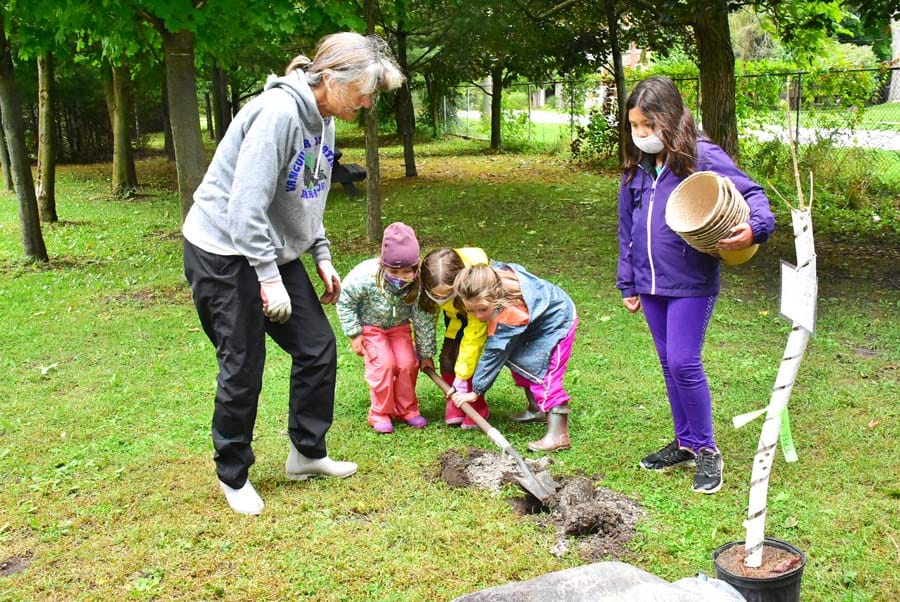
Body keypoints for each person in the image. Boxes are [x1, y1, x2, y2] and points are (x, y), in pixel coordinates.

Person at [182, 33, 405, 516]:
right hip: (222, 251)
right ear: (331, 79)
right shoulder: (278, 114)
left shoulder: (324, 119)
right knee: (243, 362)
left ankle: (306, 453)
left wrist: (320, 254)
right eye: (364, 93)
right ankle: (233, 474)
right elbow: (245, 208)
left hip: (268, 246)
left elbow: (307, 191)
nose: (368, 104)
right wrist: (267, 278)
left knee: (317, 347)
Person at [616, 75, 775, 494]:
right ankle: (685, 442)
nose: (641, 134)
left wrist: (754, 229)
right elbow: (627, 226)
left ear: (670, 118)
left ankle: (707, 449)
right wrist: (627, 281)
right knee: (669, 364)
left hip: (692, 281)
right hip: (650, 284)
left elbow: (754, 195)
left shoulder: (702, 155)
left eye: (648, 125)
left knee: (685, 362)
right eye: (634, 126)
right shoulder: (636, 168)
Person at [450, 263, 578, 452]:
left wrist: (476, 391)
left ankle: (559, 436)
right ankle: (537, 410)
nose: (478, 316)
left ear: (496, 296)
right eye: (471, 310)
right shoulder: (490, 281)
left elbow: (495, 353)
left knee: (547, 377)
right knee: (523, 363)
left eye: (482, 310)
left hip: (557, 321)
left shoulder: (510, 312)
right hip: (535, 321)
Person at [336, 222, 437, 434]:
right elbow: (345, 301)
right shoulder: (365, 276)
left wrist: (426, 354)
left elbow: (423, 318)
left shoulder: (417, 284)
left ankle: (407, 409)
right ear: (383, 265)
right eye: (394, 271)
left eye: (407, 272)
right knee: (384, 365)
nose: (400, 277)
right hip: (371, 328)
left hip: (400, 328)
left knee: (408, 363)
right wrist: (354, 333)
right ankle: (380, 412)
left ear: (415, 267)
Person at [418, 247, 492, 428]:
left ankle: (476, 406)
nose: (441, 298)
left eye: (447, 293)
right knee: (448, 357)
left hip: (478, 316)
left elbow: (473, 337)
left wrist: (462, 376)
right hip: (456, 316)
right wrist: (425, 353)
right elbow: (425, 319)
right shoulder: (428, 279)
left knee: (468, 359)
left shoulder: (474, 285)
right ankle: (455, 401)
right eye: (436, 294)